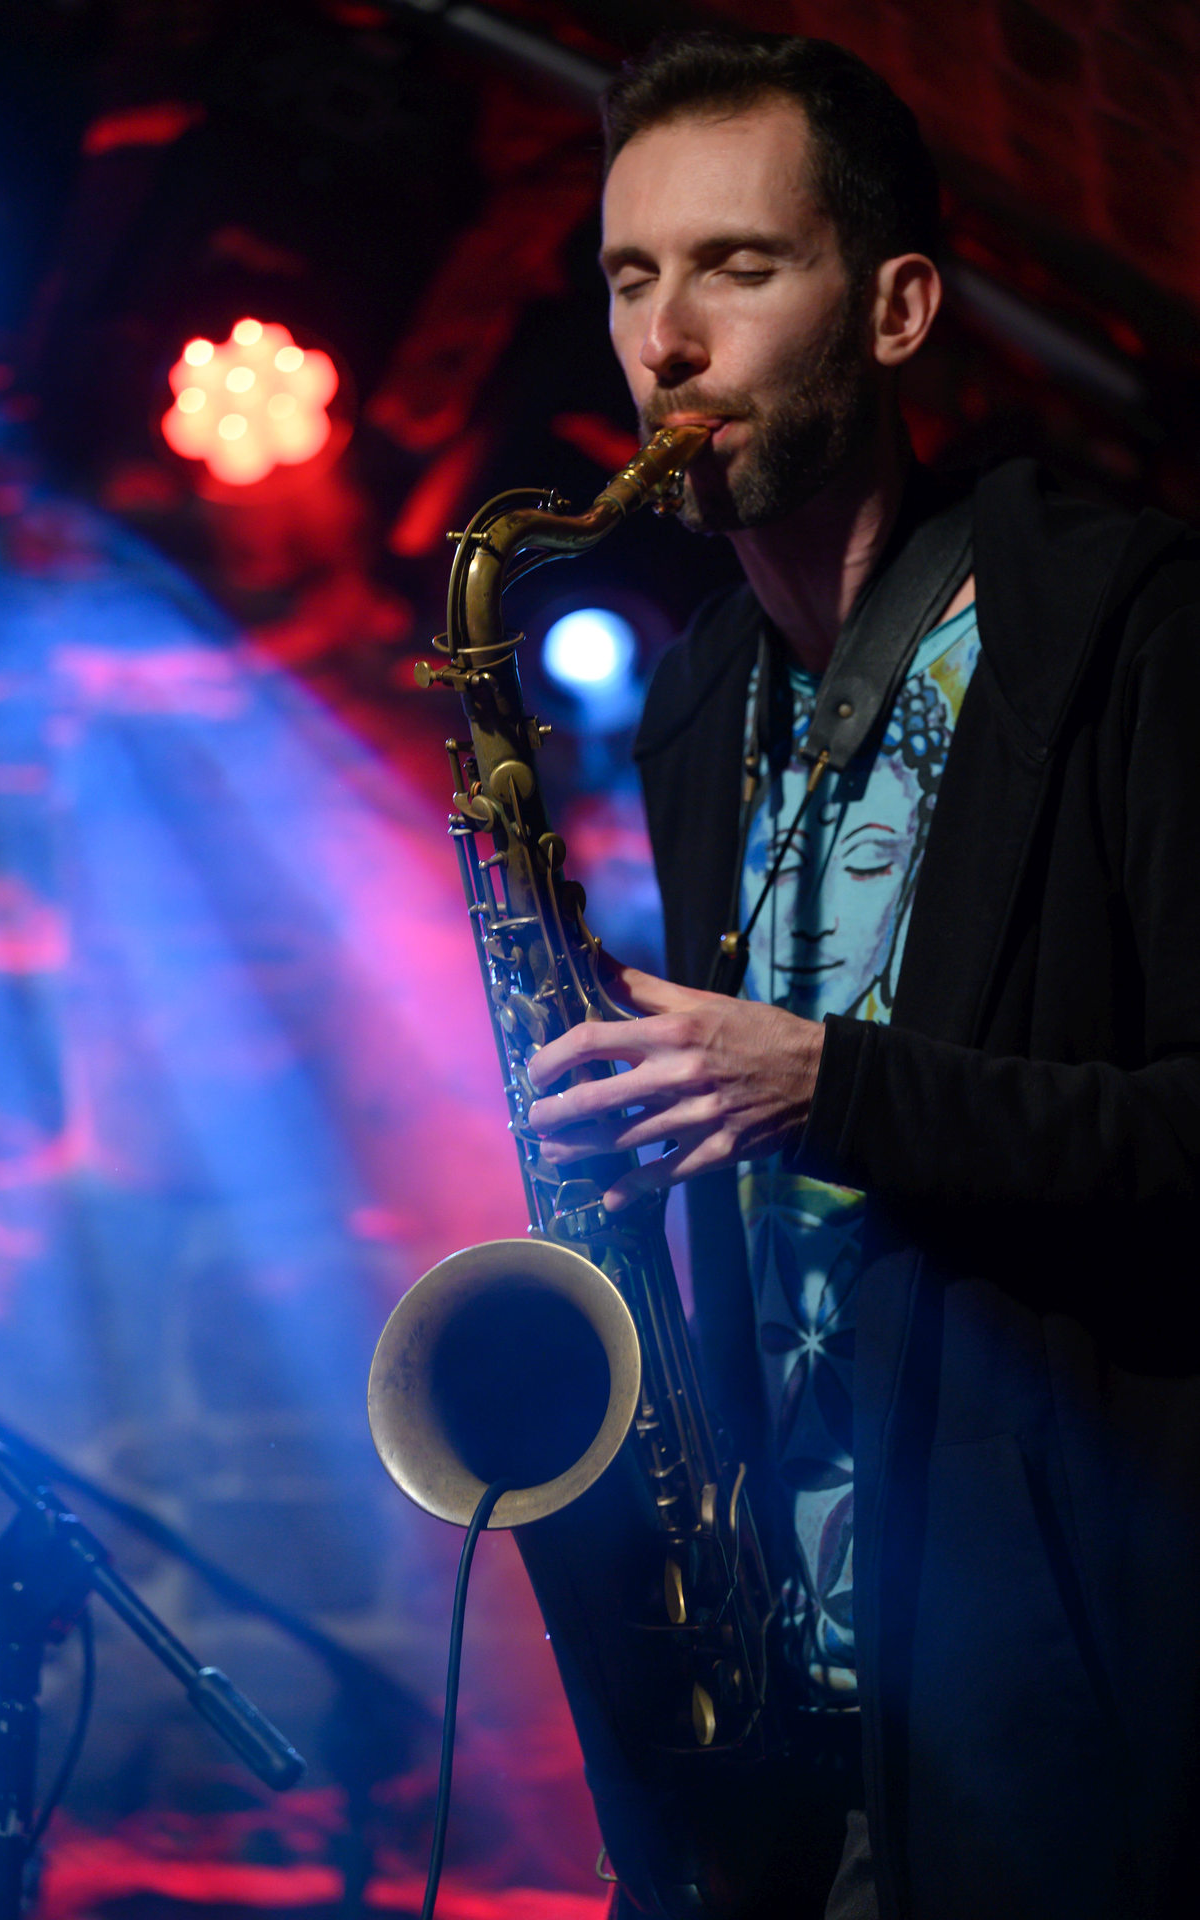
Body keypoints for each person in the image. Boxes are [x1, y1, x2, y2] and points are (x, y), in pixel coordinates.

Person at [525, 29, 1200, 1920]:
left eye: (736, 267)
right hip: (788, 1705)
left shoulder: (1130, 627)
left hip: (1068, 1708)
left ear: (896, 308)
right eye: (630, 278)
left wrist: (832, 1086)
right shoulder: (695, 698)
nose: (665, 342)